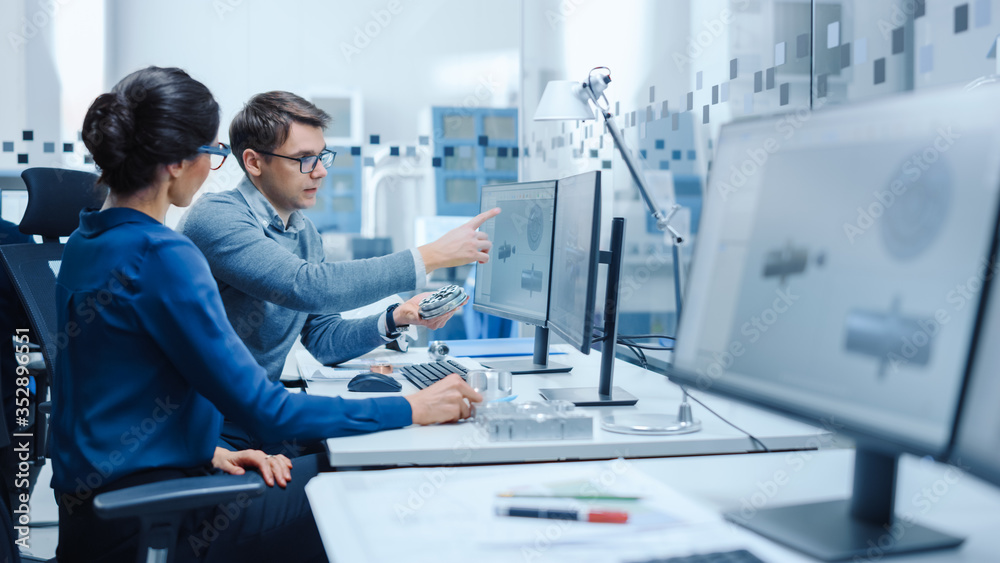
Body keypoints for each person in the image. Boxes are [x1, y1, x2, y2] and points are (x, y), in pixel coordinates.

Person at [50, 66, 481, 562]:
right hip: (154, 518)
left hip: (109, 510)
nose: (214, 165)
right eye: (212, 154)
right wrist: (412, 408)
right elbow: (268, 403)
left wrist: (205, 449)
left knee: (345, 459)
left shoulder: (89, 239)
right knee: (380, 477)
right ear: (175, 164)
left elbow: (106, 392)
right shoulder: (164, 252)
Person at [178, 91, 499, 455]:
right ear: (253, 162)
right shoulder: (218, 217)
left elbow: (324, 340)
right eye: (303, 159)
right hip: (211, 432)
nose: (321, 171)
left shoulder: (304, 233)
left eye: (321, 156)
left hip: (255, 420)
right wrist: (429, 256)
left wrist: (396, 317)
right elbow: (306, 287)